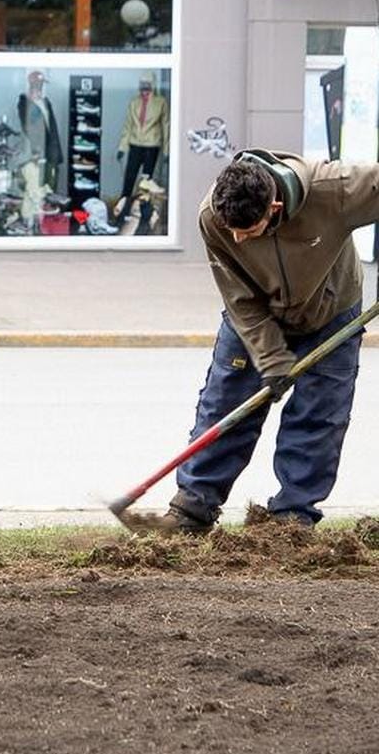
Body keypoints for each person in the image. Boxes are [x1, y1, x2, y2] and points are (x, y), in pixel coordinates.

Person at [160, 148, 379, 533]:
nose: (238, 238)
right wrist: (271, 357)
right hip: (254, 313)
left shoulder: (334, 189)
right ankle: (192, 508)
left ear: (275, 206)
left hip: (331, 311)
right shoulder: (214, 216)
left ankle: (292, 518)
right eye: (232, 229)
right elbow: (239, 298)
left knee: (319, 416)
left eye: (249, 229)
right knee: (226, 405)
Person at [113, 72, 169, 227]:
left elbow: (166, 126)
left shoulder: (160, 103)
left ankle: (145, 217)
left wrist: (167, 150)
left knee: (147, 183)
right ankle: (121, 214)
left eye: (148, 84)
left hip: (152, 146)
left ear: (153, 85)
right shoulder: (134, 103)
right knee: (128, 180)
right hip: (135, 144)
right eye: (142, 84)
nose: (145, 88)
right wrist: (122, 147)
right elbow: (128, 126)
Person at [16, 70, 63, 230]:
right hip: (34, 155)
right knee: (35, 189)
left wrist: (55, 155)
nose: (40, 87)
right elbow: (28, 128)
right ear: (32, 84)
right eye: (38, 84)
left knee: (47, 189)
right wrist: (36, 151)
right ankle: (29, 221)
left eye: (42, 85)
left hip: (50, 153)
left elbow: (52, 129)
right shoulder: (25, 103)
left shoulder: (45, 102)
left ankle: (42, 224)